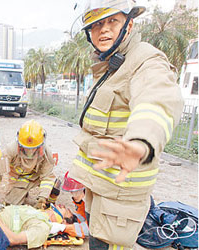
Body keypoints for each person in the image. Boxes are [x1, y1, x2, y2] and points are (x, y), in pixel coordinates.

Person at [68, 1, 183, 249]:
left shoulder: (145, 60)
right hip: (101, 189)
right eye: (96, 24)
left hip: (119, 196)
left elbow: (157, 100)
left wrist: (141, 143)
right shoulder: (111, 63)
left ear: (129, 24)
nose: (104, 30)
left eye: (112, 21)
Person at [0, 120, 56, 208]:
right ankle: (22, 195)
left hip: (35, 178)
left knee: (54, 184)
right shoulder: (10, 150)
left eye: (34, 148)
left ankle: (49, 203)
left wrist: (42, 198)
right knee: (11, 204)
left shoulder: (46, 154)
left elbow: (47, 177)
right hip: (17, 178)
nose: (30, 152)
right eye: (25, 148)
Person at [0, 201, 88, 249]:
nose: (61, 205)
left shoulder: (42, 228)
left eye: (66, 210)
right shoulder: (38, 213)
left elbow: (13, 239)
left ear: (63, 222)